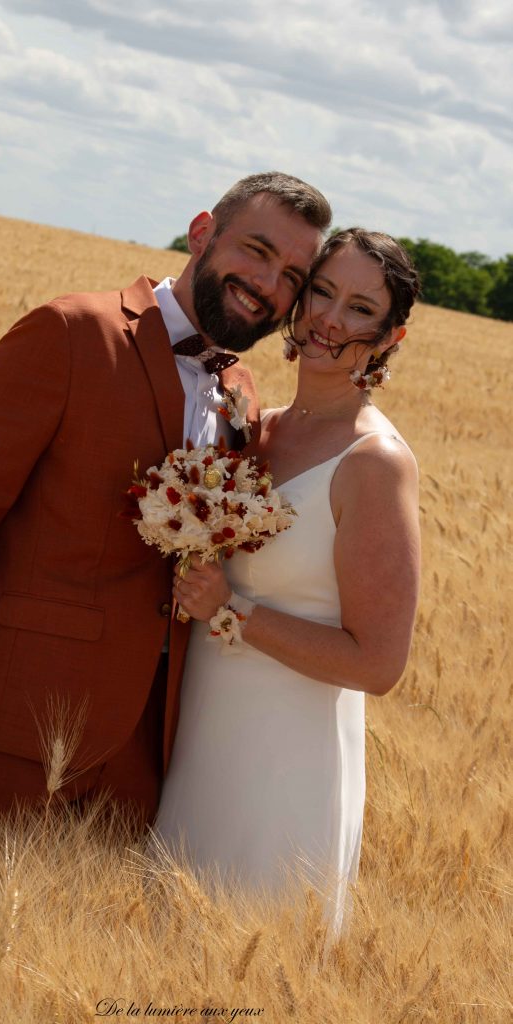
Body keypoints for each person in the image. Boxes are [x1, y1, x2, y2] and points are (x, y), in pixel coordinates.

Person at [0, 172, 331, 831]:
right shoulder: (69, 332)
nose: (268, 285)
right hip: (14, 729)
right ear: (202, 231)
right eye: (257, 252)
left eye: (294, 276)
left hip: (148, 759)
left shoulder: (241, 389)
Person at [155, 228, 421, 932]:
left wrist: (231, 611)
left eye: (362, 309)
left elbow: (380, 663)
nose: (331, 320)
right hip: (198, 736)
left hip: (284, 761)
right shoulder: (255, 425)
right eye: (324, 292)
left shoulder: (375, 462)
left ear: (392, 336)